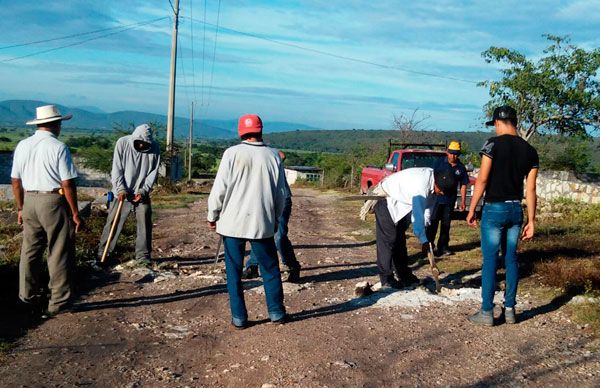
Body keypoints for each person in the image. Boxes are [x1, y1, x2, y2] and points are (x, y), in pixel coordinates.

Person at [207, 114, 288, 329]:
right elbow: (281, 194)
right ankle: (276, 313)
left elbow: (219, 189)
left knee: (233, 272)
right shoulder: (273, 156)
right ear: (261, 131)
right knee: (270, 269)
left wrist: (212, 215)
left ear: (241, 131)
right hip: (261, 224)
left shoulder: (231, 153)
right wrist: (276, 218)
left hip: (232, 223)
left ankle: (239, 318)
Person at [467, 105, 538, 326]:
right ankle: (510, 311)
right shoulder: (530, 151)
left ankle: (487, 312)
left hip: (494, 208)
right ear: (515, 123)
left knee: (490, 260)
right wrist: (532, 220)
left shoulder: (492, 144)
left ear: (498, 123)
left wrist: (472, 208)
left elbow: (483, 179)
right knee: (511, 259)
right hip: (516, 209)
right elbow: (531, 190)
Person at [11, 104, 82, 315]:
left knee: (30, 251)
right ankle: (58, 302)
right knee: (59, 251)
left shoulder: (22, 145)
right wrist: (75, 212)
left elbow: (15, 180)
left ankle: (26, 297)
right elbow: (67, 183)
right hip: (53, 200)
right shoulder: (58, 147)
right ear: (55, 124)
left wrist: (20, 207)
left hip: (29, 200)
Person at [368, 167, 456, 289]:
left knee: (399, 240)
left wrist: (427, 239)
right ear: (436, 183)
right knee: (388, 239)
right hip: (386, 199)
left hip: (403, 205)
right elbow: (417, 220)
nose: (441, 193)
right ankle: (386, 279)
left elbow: (427, 213)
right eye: (441, 191)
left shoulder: (436, 185)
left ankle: (404, 275)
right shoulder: (421, 187)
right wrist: (423, 240)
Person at [97, 124, 160, 262]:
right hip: (122, 192)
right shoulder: (123, 143)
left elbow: (153, 173)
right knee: (113, 222)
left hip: (141, 193)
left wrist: (143, 191)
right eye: (140, 142)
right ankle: (104, 253)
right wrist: (120, 189)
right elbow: (117, 168)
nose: (142, 146)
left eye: (145, 144)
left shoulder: (155, 147)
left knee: (144, 223)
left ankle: (143, 256)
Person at [242, 150, 301, 283]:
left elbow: (282, 155)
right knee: (257, 233)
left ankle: (293, 266)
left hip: (282, 199)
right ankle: (252, 267)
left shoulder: (270, 153)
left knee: (279, 237)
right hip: (260, 200)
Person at [426, 141, 469, 257]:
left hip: (450, 200)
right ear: (447, 152)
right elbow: (431, 177)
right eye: (451, 153)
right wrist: (435, 188)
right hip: (436, 199)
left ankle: (443, 247)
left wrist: (463, 202)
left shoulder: (461, 168)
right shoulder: (439, 163)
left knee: (446, 225)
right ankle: (428, 246)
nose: (453, 156)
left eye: (456, 154)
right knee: (432, 223)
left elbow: (464, 184)